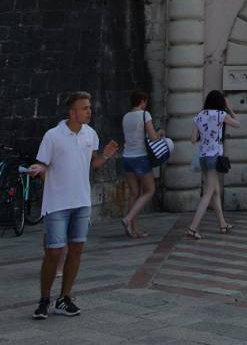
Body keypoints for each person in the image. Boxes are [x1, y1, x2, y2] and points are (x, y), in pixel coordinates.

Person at [28, 91, 119, 320]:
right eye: (84, 108)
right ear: (72, 112)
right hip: (57, 203)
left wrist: (105, 156)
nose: (89, 111)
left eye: (89, 107)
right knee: (54, 252)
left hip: (81, 202)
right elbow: (42, 165)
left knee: (76, 250)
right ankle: (44, 300)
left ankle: (64, 298)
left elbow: (92, 163)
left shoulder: (91, 134)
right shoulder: (53, 135)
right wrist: (40, 171)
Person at [186, 90, 239, 239]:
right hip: (214, 157)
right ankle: (192, 227)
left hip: (202, 157)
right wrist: (229, 108)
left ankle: (222, 224)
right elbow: (238, 123)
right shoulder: (220, 115)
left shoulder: (199, 115)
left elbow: (192, 139)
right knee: (208, 193)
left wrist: (204, 137)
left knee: (214, 191)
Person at [120, 89, 164, 238]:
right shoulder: (145, 115)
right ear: (142, 101)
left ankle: (135, 229)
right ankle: (128, 219)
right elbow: (152, 137)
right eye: (146, 101)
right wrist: (160, 133)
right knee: (149, 191)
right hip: (140, 158)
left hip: (127, 158)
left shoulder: (126, 117)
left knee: (134, 193)